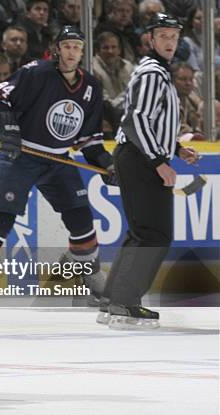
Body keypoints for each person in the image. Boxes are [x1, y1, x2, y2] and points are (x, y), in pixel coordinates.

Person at [0, 26, 118, 307]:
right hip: (20, 156)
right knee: (1, 221)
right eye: (66, 46)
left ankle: (88, 275)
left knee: (81, 220)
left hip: (58, 159)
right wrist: (7, 125)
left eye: (76, 47)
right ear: (56, 49)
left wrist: (105, 163)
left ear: (82, 51)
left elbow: (88, 139)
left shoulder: (91, 86)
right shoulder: (35, 73)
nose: (71, 52)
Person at [98, 13, 199, 330]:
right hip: (140, 158)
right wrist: (159, 161)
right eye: (163, 36)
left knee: (143, 231)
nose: (170, 42)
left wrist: (175, 148)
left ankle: (115, 300)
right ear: (150, 40)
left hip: (140, 155)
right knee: (154, 233)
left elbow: (150, 121)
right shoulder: (152, 72)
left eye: (174, 36)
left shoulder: (158, 73)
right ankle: (124, 302)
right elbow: (136, 120)